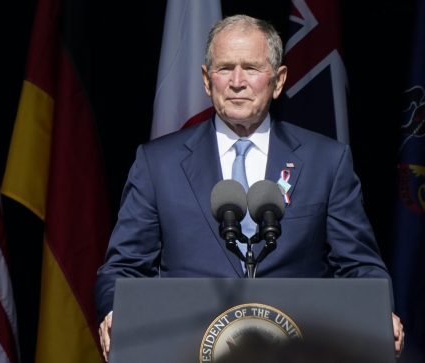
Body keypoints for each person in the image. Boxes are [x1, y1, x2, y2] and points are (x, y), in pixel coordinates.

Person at [94, 14, 404, 361]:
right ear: (206, 80)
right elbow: (122, 268)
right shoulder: (158, 164)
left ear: (278, 80)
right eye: (225, 68)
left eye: (251, 68)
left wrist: (379, 311)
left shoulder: (326, 161)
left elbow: (360, 266)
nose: (237, 82)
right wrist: (116, 311)